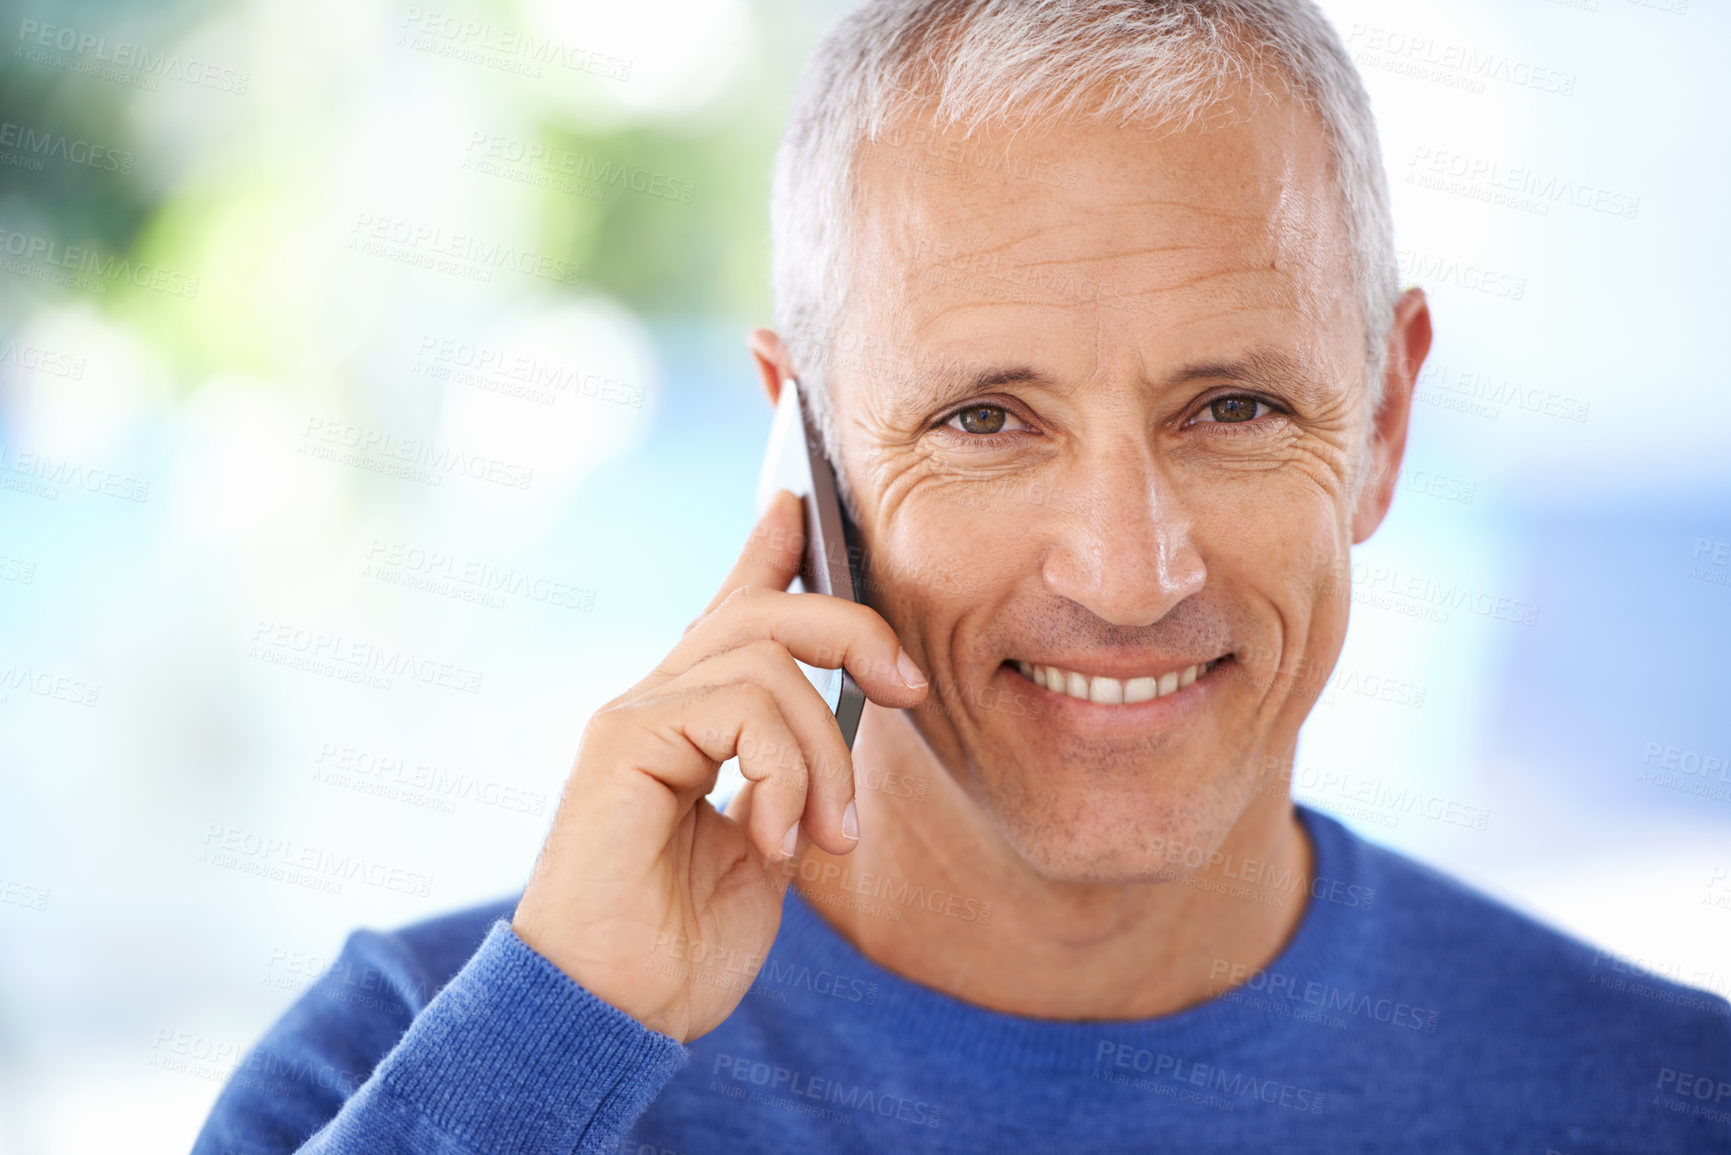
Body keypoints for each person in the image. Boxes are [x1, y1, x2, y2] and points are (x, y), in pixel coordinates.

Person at [194, 2, 1731, 1151]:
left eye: (1235, 408)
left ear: (1385, 424)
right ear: (807, 456)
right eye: (984, 419)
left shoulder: (1667, 1102)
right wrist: (555, 1041)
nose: (1130, 575)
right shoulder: (409, 1069)